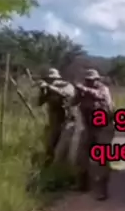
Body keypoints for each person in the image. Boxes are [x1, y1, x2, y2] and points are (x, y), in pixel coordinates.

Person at [75, 69, 114, 200]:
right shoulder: (84, 91)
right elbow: (72, 102)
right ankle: (83, 183)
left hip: (104, 127)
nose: (89, 82)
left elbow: (100, 96)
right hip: (89, 126)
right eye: (87, 80)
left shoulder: (103, 89)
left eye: (92, 80)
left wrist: (84, 89)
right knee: (82, 155)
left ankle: (103, 189)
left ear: (97, 80)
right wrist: (78, 93)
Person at [38, 68, 77, 165]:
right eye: (48, 79)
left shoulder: (66, 85)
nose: (50, 81)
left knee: (66, 141)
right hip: (54, 118)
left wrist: (50, 87)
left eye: (51, 79)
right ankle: (50, 161)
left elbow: (66, 94)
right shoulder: (49, 89)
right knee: (52, 140)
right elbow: (40, 102)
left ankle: (63, 162)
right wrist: (43, 91)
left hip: (67, 117)